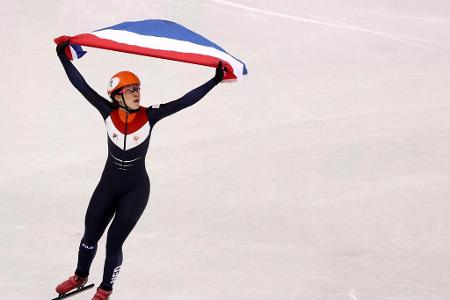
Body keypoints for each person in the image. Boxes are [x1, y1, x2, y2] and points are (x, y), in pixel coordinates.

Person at [54, 40, 225, 300]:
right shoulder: (107, 111)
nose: (137, 93)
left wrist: (214, 81)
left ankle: (104, 290)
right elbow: (80, 85)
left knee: (114, 242)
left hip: (135, 190)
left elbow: (185, 101)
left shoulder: (150, 115)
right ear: (117, 95)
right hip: (108, 186)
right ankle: (80, 275)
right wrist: (63, 57)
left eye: (138, 89)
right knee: (90, 236)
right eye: (131, 89)